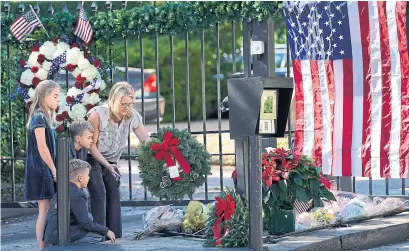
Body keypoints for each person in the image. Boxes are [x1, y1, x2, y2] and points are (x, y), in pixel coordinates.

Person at [87, 82, 151, 238]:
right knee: (99, 193)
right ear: (112, 100)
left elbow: (146, 140)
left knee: (114, 194)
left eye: (130, 104)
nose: (126, 108)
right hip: (92, 159)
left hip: (112, 161)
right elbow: (91, 147)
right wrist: (107, 165)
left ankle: (114, 236)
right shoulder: (97, 115)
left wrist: (162, 153)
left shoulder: (132, 116)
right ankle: (98, 235)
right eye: (123, 104)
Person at [44, 159, 116, 245]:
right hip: (61, 235)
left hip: (51, 234)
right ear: (80, 178)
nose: (89, 178)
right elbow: (85, 222)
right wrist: (106, 230)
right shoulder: (77, 195)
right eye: (88, 175)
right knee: (97, 235)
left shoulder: (62, 190)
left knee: (89, 218)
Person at [24, 80, 60, 250]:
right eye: (55, 96)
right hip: (41, 169)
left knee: (45, 209)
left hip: (43, 168)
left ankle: (45, 245)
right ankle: (42, 247)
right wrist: (53, 169)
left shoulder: (44, 116)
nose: (58, 100)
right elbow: (42, 146)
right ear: (45, 96)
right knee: (44, 210)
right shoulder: (39, 116)